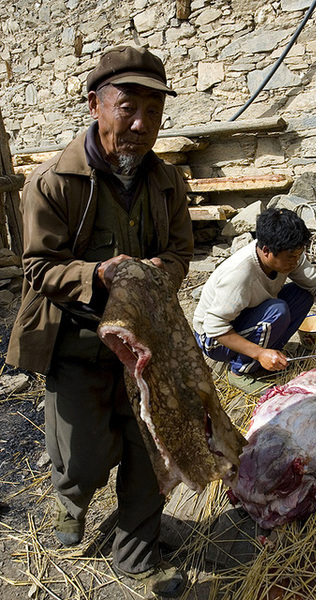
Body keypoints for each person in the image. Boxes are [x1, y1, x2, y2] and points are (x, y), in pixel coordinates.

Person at [6, 45, 194, 598]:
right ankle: (73, 499)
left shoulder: (165, 181)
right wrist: (100, 275)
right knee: (85, 453)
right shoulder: (53, 181)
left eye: (153, 113)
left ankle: (136, 546)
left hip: (146, 345)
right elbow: (39, 267)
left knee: (148, 445)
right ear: (96, 104)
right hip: (76, 339)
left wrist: (161, 270)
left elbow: (182, 251)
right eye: (127, 108)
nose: (141, 125)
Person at [193, 207, 316, 394]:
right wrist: (260, 353)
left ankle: (270, 355)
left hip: (245, 317)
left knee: (303, 295)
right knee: (277, 310)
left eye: (298, 255)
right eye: (291, 257)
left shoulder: (288, 254)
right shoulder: (239, 274)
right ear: (266, 251)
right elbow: (214, 326)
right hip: (214, 340)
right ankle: (240, 371)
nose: (296, 262)